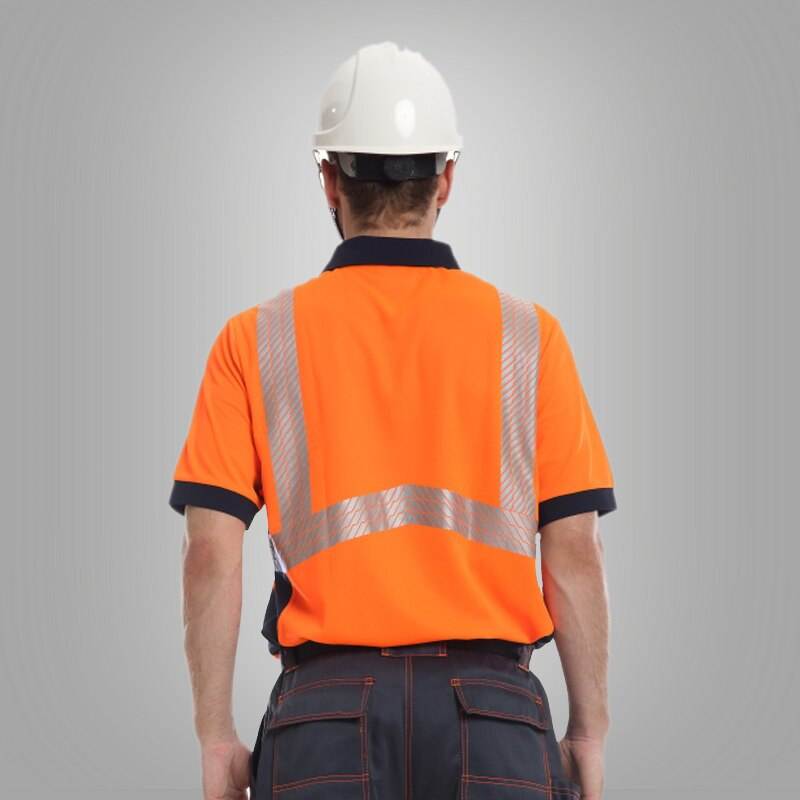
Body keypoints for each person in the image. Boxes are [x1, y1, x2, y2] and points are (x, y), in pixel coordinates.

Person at [169, 41, 617, 800]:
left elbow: (210, 551)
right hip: (496, 726)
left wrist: (216, 739)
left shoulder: (254, 340)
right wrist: (590, 729)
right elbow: (574, 550)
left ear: (328, 181)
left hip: (322, 729)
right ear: (446, 179)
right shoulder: (529, 337)